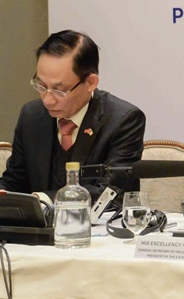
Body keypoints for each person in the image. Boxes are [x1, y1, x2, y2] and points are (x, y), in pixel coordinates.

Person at [0, 30, 146, 204]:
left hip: (95, 228)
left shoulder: (123, 120)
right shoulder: (32, 116)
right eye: (41, 85)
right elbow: (15, 181)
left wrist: (45, 199)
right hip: (38, 229)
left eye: (59, 90)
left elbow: (112, 193)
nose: (47, 100)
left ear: (90, 82)